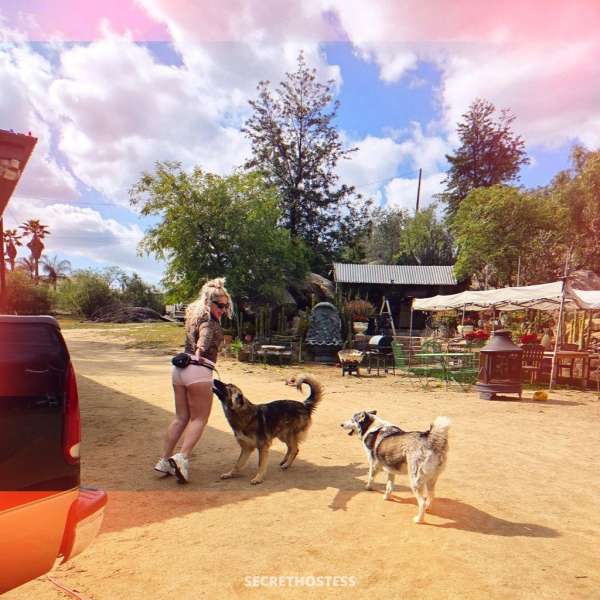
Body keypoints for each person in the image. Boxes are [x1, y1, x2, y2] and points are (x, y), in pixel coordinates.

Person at [154, 277, 232, 483]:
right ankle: (182, 457)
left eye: (226, 306)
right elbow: (204, 338)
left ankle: (164, 460)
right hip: (198, 371)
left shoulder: (193, 316)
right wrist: (200, 350)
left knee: (181, 418)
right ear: (209, 302)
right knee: (199, 419)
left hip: (179, 371)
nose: (223, 310)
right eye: (220, 305)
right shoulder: (209, 321)